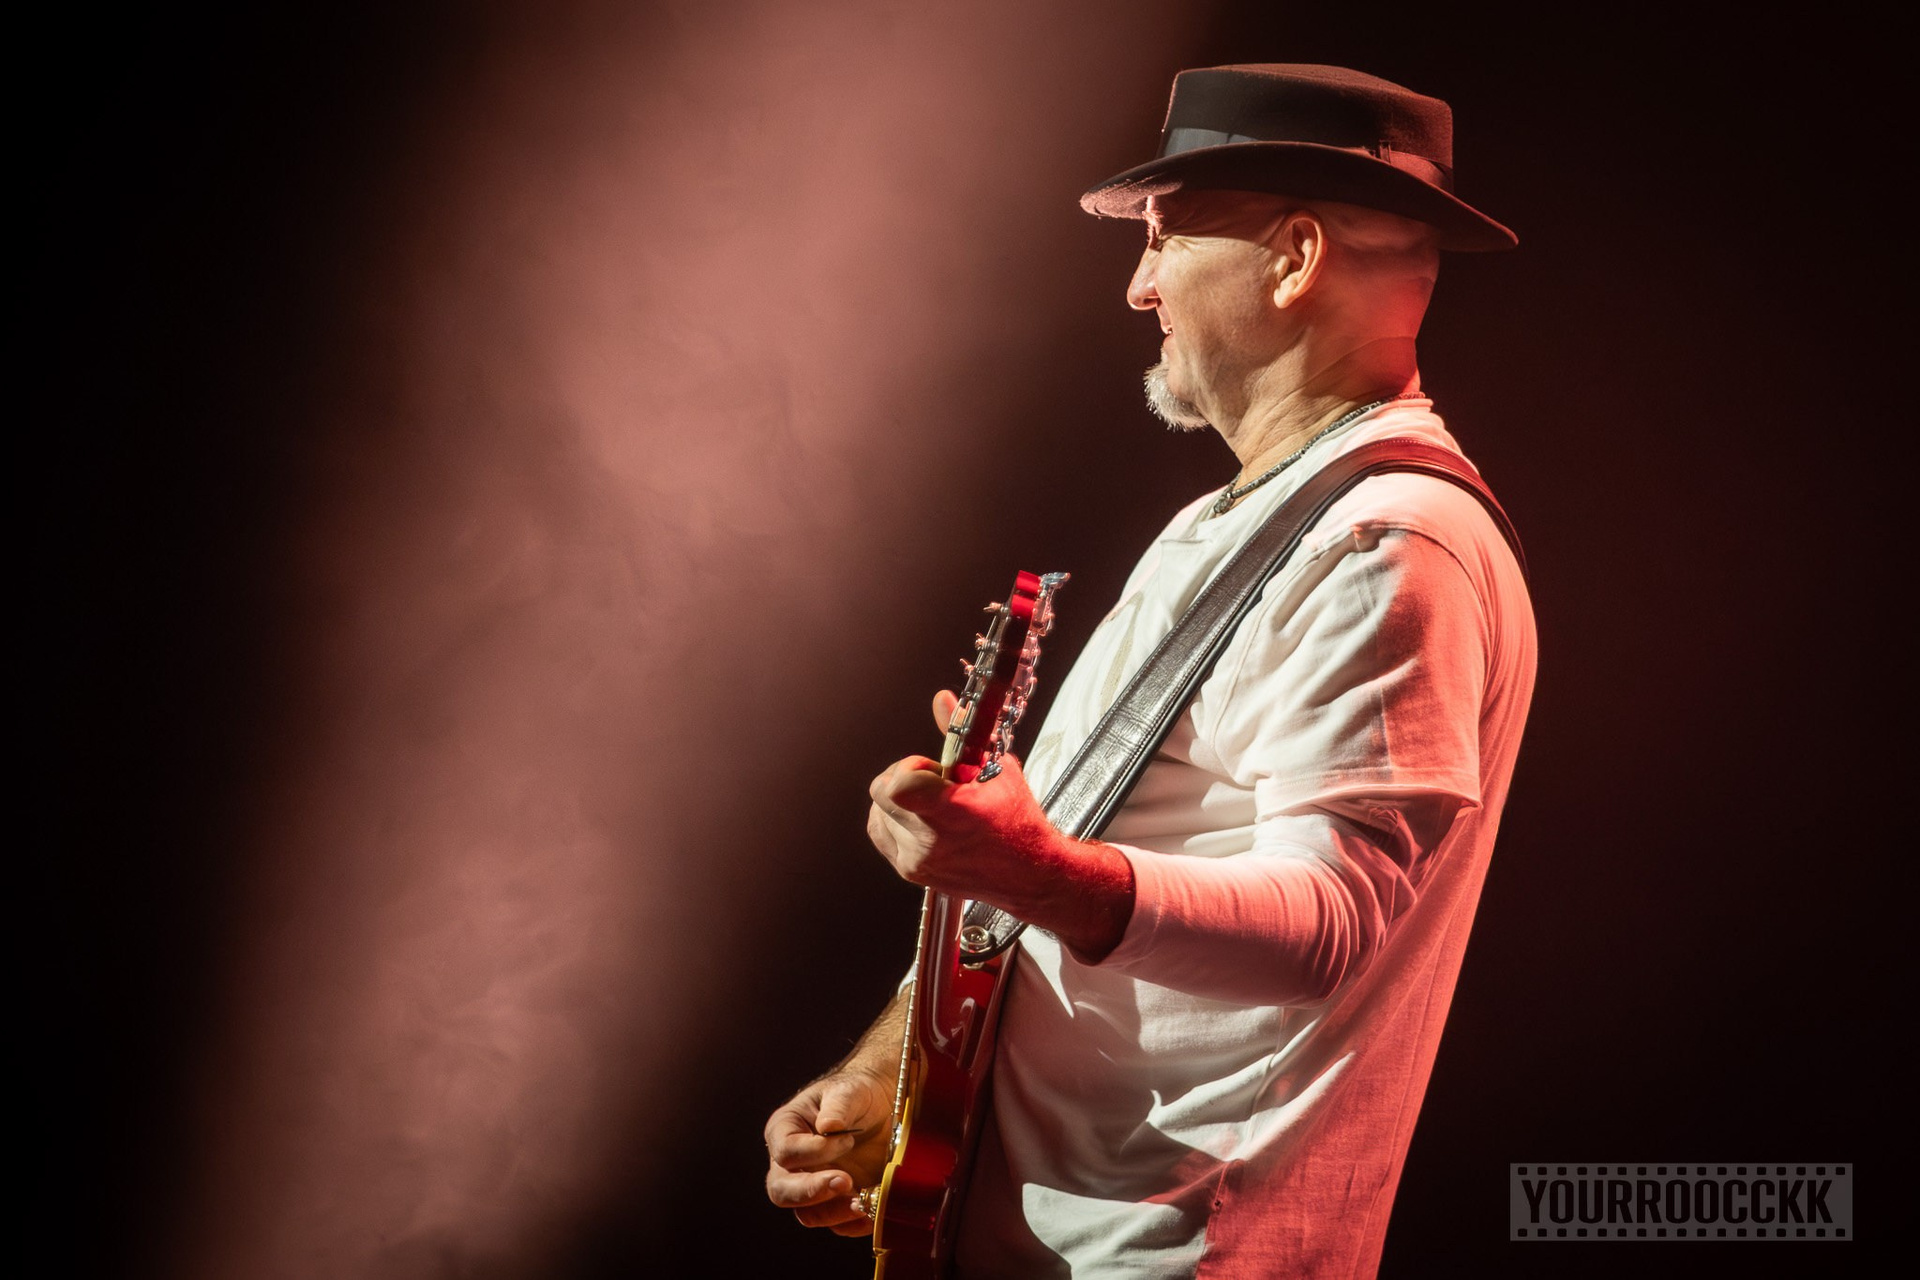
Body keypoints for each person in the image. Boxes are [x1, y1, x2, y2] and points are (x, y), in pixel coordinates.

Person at [764, 63, 1536, 1278]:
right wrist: (892, 1071)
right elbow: (1054, 862)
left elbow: (1327, 923)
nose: (1139, 284)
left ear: (1293, 258)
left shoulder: (1390, 545)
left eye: (1168, 236)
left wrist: (1023, 863)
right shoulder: (1236, 525)